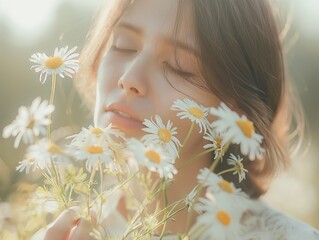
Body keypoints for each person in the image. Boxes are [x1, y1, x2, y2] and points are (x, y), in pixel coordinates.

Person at [41, 0, 319, 239]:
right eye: (123, 46)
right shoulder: (60, 230)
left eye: (178, 66)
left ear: (237, 112)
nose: (129, 79)